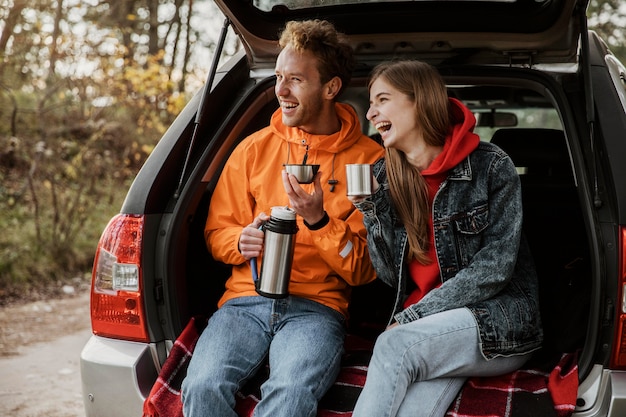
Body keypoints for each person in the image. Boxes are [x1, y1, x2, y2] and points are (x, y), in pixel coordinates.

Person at [181, 19, 385, 417]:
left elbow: (365, 269)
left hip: (318, 308)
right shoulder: (252, 150)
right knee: (202, 386)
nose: (281, 90)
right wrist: (240, 242)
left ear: (330, 88)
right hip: (243, 302)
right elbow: (217, 232)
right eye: (278, 77)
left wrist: (319, 222)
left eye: (295, 79)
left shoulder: (370, 161)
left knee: (290, 393)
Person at [349, 60, 543, 417]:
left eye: (382, 100)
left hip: (496, 322)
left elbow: (494, 270)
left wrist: (413, 317)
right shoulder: (384, 175)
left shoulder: (492, 167)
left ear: (419, 101)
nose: (372, 113)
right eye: (371, 103)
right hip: (429, 331)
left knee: (393, 345)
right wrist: (372, 209)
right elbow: (391, 278)